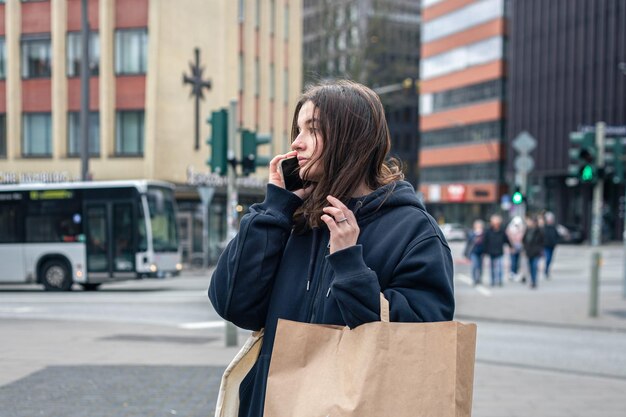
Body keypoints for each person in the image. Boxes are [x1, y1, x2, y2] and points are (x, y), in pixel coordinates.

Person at [208, 81, 455, 417]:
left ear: (351, 140)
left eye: (312, 130)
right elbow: (233, 305)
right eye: (297, 129)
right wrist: (273, 210)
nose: (296, 143)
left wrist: (350, 266)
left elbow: (421, 344)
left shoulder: (413, 230)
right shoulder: (292, 218)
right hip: (275, 405)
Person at [523, 215, 544, 288]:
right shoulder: (527, 230)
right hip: (529, 252)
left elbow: (542, 241)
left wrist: (539, 249)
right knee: (530, 267)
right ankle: (532, 279)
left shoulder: (539, 231)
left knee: (534, 266)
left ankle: (534, 281)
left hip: (536, 252)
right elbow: (524, 240)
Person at [464, 220, 485, 286]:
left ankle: (479, 278)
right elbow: (469, 242)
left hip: (481, 252)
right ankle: (474, 279)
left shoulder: (484, 233)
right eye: (477, 225)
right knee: (474, 265)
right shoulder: (472, 233)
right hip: (474, 252)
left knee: (480, 266)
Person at [505, 216, 526, 281]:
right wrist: (511, 246)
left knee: (518, 261)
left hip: (520, 247)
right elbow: (508, 238)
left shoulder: (522, 228)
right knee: (513, 260)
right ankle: (512, 272)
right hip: (512, 247)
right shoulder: (510, 229)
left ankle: (516, 272)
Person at [542, 211, 559, 279]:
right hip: (546, 245)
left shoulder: (554, 227)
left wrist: (556, 242)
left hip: (552, 245)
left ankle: (547, 270)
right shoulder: (544, 228)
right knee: (548, 258)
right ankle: (546, 270)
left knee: (550, 259)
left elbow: (557, 236)